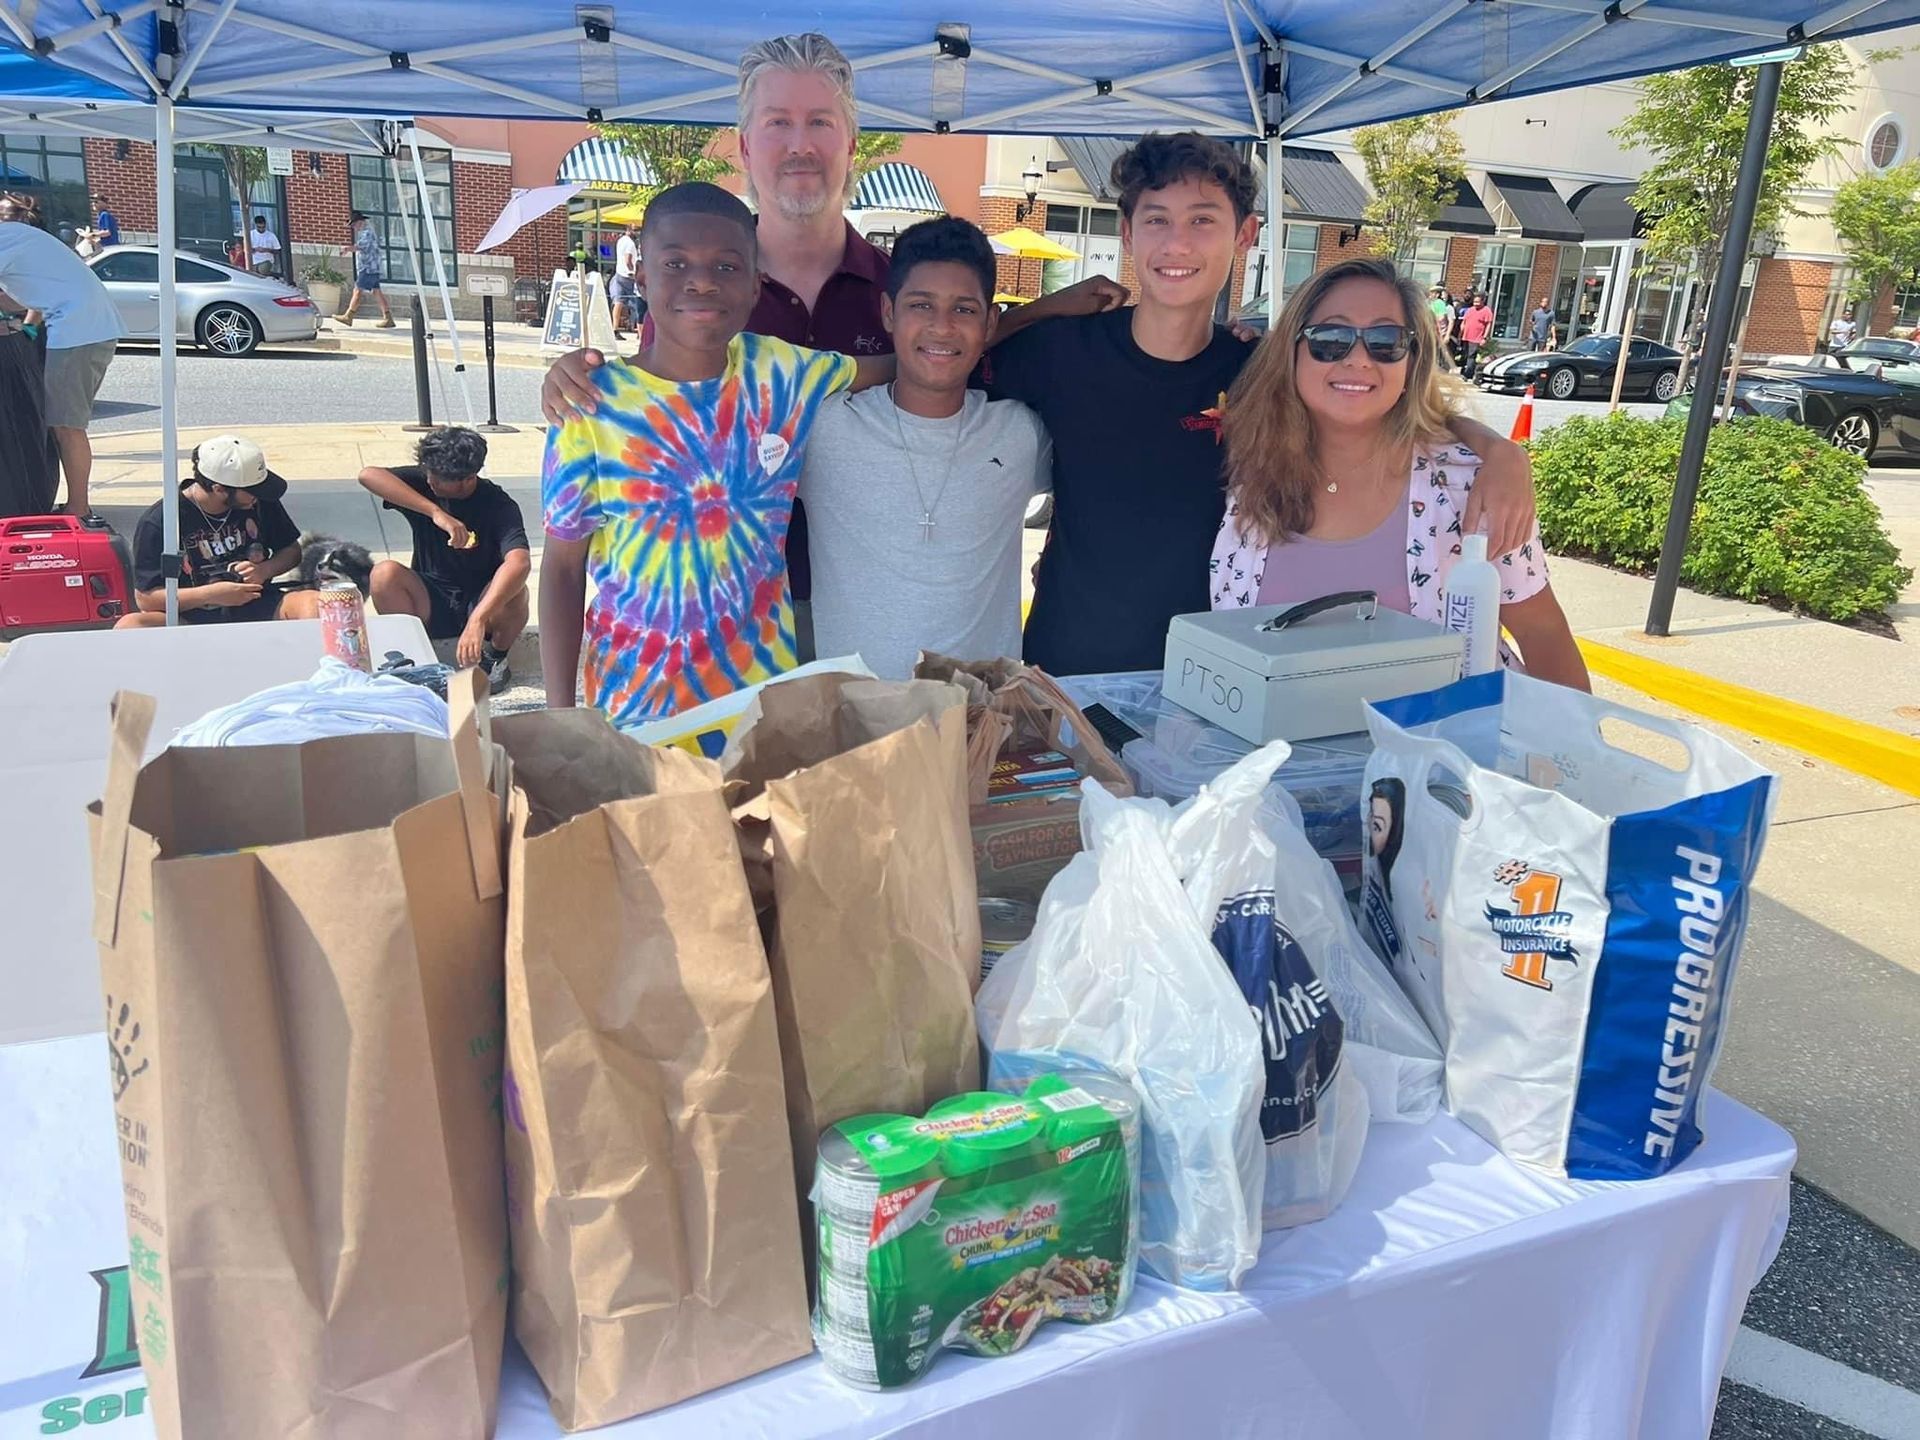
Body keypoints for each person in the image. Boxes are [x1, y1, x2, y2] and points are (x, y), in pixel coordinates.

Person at [550, 34, 1114, 665]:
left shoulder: (899, 284)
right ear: (744, 147)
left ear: (851, 146)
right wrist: (575, 374)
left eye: (820, 122)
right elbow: (649, 416)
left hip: (866, 612)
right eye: (777, 123)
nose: (800, 144)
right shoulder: (701, 294)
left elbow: (940, 352)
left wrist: (1035, 314)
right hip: (731, 623)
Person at [540, 182, 895, 726]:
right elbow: (564, 570)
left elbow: (911, 359)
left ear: (756, 287)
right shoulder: (590, 405)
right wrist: (558, 719)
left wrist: (1017, 318)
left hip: (756, 709)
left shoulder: (782, 372)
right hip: (636, 710)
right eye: (675, 263)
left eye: (726, 267)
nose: (701, 281)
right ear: (640, 274)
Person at [1211, 256, 1589, 691]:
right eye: (1329, 338)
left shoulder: (1468, 485)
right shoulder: (1248, 467)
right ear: (1291, 352)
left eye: (1385, 341)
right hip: (1275, 755)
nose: (1357, 359)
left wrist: (1572, 752)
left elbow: (1543, 633)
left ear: (1412, 362)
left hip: (1437, 752)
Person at [798, 216, 1050, 678]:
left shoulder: (1019, 432)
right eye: (921, 305)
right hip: (857, 722)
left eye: (964, 310)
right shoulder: (824, 429)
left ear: (991, 323)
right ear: (889, 313)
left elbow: (1101, 476)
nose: (942, 327)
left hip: (982, 721)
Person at [358, 426, 530, 690]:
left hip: (481, 603)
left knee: (517, 589)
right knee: (384, 573)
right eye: (428, 472)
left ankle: (494, 660)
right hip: (430, 597)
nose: (430, 481)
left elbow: (519, 562)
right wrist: (434, 512)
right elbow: (367, 475)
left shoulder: (498, 504)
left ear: (468, 478)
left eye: (439, 478)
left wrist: (478, 619)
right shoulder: (428, 482)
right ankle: (412, 660)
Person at [118, 435, 318, 626]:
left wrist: (263, 570)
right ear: (219, 489)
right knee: (131, 625)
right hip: (189, 616)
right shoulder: (161, 521)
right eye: (253, 491)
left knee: (314, 603)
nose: (258, 497)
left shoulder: (256, 501)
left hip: (257, 603)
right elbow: (146, 598)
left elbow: (292, 551)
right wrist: (210, 594)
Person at [0, 218, 121, 515]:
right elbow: (24, 296)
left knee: (67, 426)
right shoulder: (17, 236)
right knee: (65, 424)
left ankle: (78, 508)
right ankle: (78, 505)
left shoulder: (5, 240)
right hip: (87, 326)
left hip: (76, 330)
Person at [336, 211, 394, 327]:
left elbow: (361, 247)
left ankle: (349, 316)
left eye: (354, 224)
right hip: (373, 268)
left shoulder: (367, 233)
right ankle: (388, 317)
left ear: (360, 222)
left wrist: (346, 249)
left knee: (357, 290)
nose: (353, 228)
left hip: (368, 268)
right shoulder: (367, 232)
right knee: (376, 292)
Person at [610, 221, 640, 335]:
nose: (637, 232)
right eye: (635, 229)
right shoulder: (630, 243)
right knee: (637, 302)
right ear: (629, 229)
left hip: (619, 274)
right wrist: (633, 271)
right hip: (628, 276)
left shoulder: (620, 240)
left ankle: (615, 328)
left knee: (619, 302)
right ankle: (639, 330)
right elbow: (628, 260)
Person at [1458, 291, 1495, 379]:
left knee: (1471, 355)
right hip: (1466, 336)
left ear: (1483, 301)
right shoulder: (1470, 309)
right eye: (1474, 302)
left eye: (1478, 302)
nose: (1476, 304)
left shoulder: (1486, 311)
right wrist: (1461, 332)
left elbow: (1488, 325)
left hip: (1476, 337)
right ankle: (1468, 371)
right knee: (1466, 355)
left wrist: (1484, 338)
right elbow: (1464, 321)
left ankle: (1467, 374)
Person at [1427, 284, 1454, 371]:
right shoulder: (1430, 303)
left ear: (1437, 294)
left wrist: (1445, 334)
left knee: (1439, 352)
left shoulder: (1439, 303)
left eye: (1432, 293)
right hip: (1430, 331)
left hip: (1438, 332)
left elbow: (1441, 318)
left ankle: (1446, 368)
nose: (1430, 295)